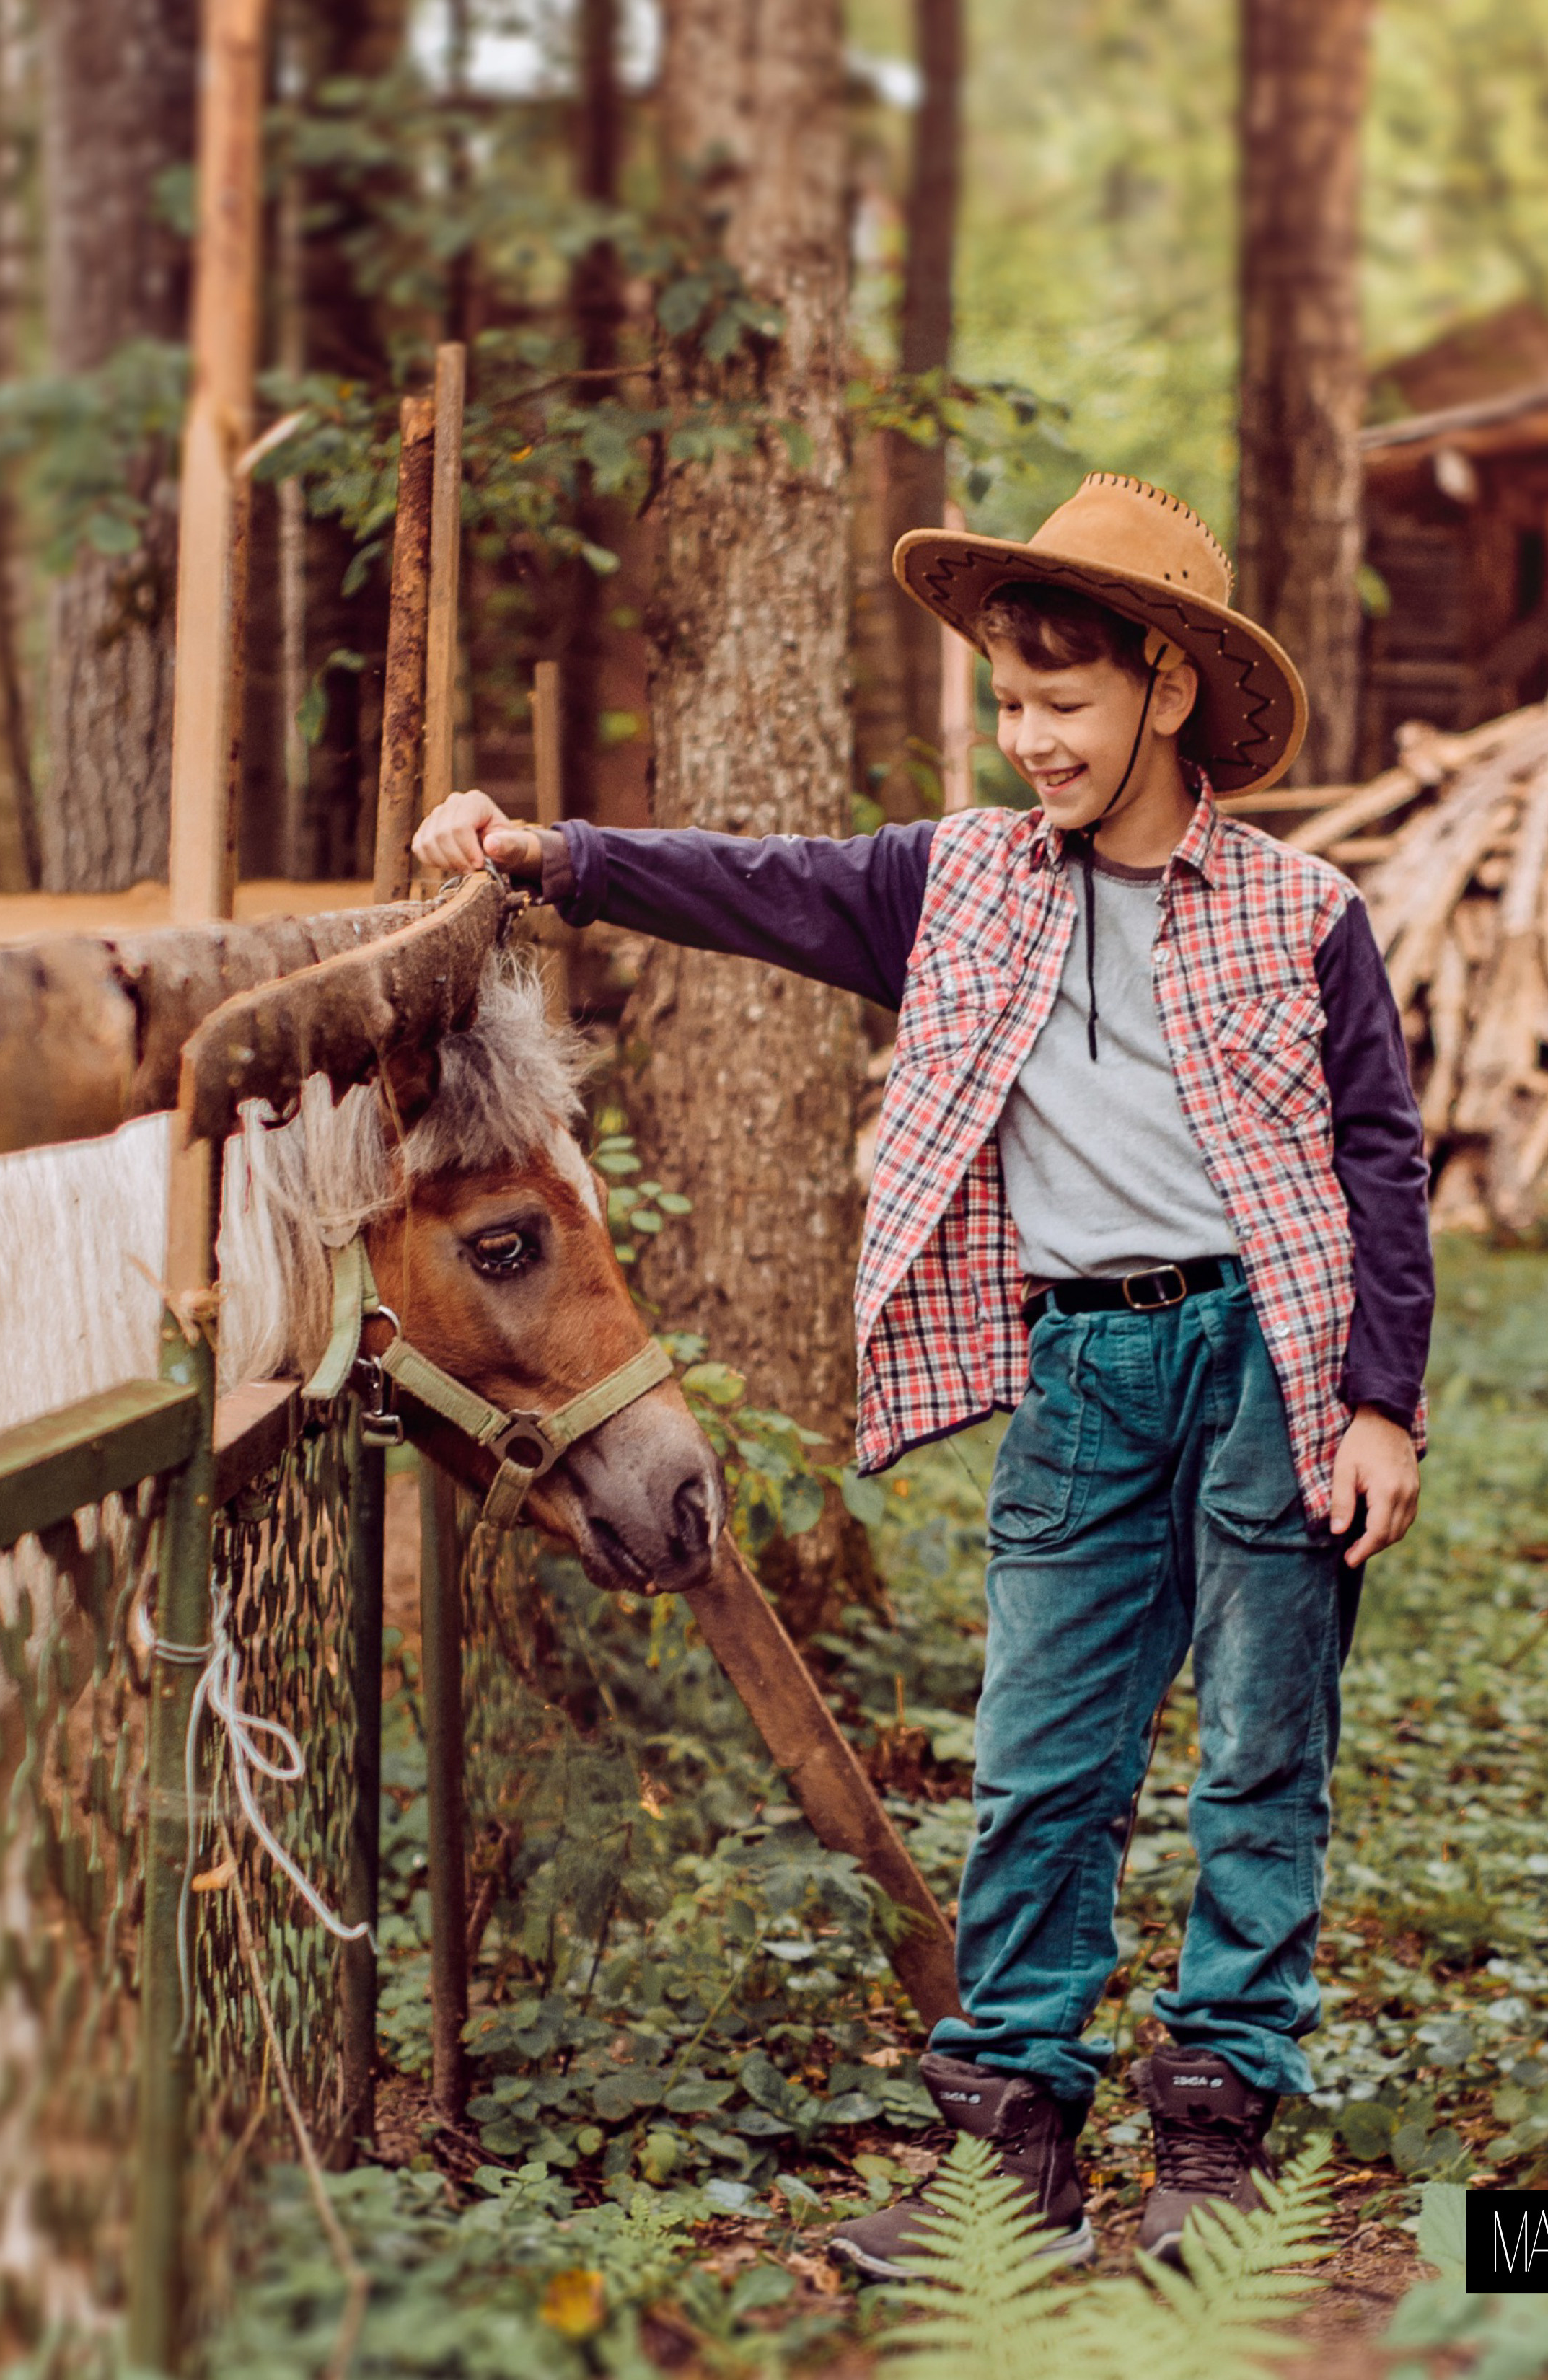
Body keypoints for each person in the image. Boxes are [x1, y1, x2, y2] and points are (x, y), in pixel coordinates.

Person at [414, 471, 1433, 2275]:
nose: (1026, 738)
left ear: (1167, 694)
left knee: (1265, 1754)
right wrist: (555, 857)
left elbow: (1378, 1161)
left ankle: (1214, 2148)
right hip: (1087, 1364)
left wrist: (1377, 1401)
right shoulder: (951, 878)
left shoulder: (1307, 914)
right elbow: (756, 886)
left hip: (1276, 1361)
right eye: (1005, 703)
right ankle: (1010, 2166)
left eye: (1063, 705)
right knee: (1045, 1761)